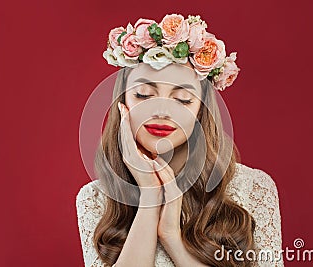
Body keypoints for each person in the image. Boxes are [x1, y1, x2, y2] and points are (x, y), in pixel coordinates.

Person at [76, 14, 284, 267]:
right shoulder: (95, 198)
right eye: (144, 95)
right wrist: (149, 200)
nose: (162, 111)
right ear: (122, 104)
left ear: (201, 110)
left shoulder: (253, 188)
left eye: (183, 99)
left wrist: (172, 237)